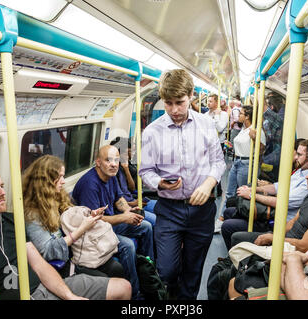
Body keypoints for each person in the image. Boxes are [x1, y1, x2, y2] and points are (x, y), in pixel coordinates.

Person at [0, 167, 131, 300]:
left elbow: (39, 264)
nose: (2, 192)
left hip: (44, 288)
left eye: (1, 186)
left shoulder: (10, 221)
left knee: (123, 288)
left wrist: (69, 296)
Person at [139, 68, 226, 300]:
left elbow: (218, 162)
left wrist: (209, 184)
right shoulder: (152, 132)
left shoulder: (206, 124)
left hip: (202, 210)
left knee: (193, 271)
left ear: (191, 96)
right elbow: (145, 171)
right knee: (167, 270)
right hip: (169, 210)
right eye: (168, 103)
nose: (175, 110)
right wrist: (160, 183)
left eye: (180, 102)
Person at [72, 145, 154, 299]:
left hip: (110, 226)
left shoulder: (111, 177)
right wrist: (123, 218)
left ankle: (148, 274)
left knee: (146, 226)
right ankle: (135, 293)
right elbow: (94, 221)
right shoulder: (89, 184)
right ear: (98, 162)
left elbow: (118, 200)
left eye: (116, 160)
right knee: (128, 246)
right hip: (94, 233)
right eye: (108, 160)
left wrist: (128, 212)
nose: (114, 164)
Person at [22, 155, 124, 278]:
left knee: (117, 267)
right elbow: (48, 251)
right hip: (62, 264)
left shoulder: (58, 198)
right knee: (112, 273)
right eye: (59, 177)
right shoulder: (33, 215)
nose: (63, 181)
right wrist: (82, 229)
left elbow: (69, 221)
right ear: (46, 180)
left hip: (77, 251)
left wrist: (89, 216)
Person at [228, 157, 308, 252]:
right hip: (284, 239)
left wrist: (274, 239)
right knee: (236, 234)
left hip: (289, 249)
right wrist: (273, 234)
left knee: (236, 236)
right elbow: (292, 223)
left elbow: (305, 245)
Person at [220, 139, 308, 242]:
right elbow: (277, 187)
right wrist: (253, 189)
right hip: (272, 214)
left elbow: (282, 203)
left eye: (300, 155)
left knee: (228, 226)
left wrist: (251, 195)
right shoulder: (300, 171)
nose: (296, 157)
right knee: (230, 211)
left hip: (278, 222)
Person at [215, 105, 266, 233]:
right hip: (237, 162)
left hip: (247, 163)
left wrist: (255, 138)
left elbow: (261, 149)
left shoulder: (256, 130)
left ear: (247, 116)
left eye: (242, 114)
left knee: (243, 194)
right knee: (229, 192)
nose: (239, 116)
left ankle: (236, 222)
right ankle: (221, 219)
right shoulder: (243, 129)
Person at [109, 136, 157, 224]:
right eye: (126, 153)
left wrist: (126, 169)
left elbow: (131, 188)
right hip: (127, 206)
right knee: (154, 220)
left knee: (163, 208)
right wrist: (133, 204)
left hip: (132, 201)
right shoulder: (112, 173)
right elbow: (116, 200)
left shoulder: (124, 167)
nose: (129, 155)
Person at [251, 91, 285, 182]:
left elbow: (264, 108)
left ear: (272, 107)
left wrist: (258, 93)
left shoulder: (278, 119)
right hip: (272, 154)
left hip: (275, 156)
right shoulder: (277, 118)